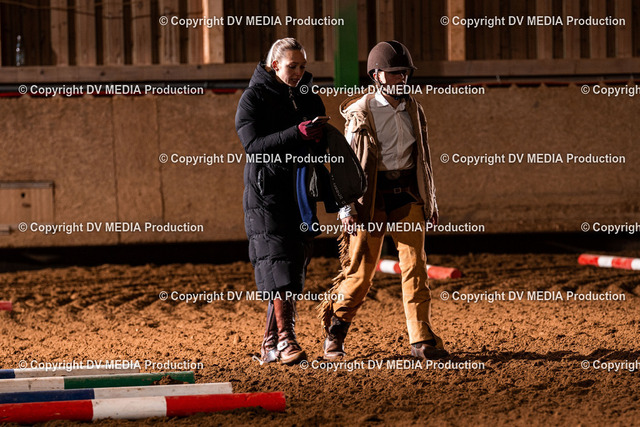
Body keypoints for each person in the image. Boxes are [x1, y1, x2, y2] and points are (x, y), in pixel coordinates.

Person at [318, 41, 448, 361]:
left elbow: (424, 159)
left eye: (405, 72)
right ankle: (336, 331)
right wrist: (346, 207)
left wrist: (430, 201)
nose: (402, 78)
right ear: (376, 76)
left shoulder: (414, 109)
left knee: (415, 266)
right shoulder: (360, 113)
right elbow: (346, 163)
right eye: (395, 73)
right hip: (370, 199)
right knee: (361, 273)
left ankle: (420, 338)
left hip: (407, 195)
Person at [235, 38, 326, 365]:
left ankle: (269, 344)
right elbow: (253, 145)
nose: (299, 72)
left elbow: (318, 144)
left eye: (302, 66)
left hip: (300, 191)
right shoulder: (253, 98)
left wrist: (316, 137)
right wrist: (296, 134)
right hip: (266, 193)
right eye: (292, 66)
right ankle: (287, 340)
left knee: (293, 264)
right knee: (281, 263)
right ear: (275, 65)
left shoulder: (308, 96)